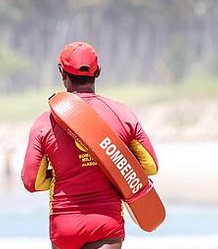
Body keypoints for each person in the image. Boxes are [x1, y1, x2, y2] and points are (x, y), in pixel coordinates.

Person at [21, 42, 158, 249]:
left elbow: (31, 182)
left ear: (61, 73)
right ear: (98, 72)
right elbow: (150, 166)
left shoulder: (45, 122)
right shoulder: (122, 115)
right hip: (106, 223)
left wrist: (62, 173)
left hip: (65, 225)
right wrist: (107, 163)